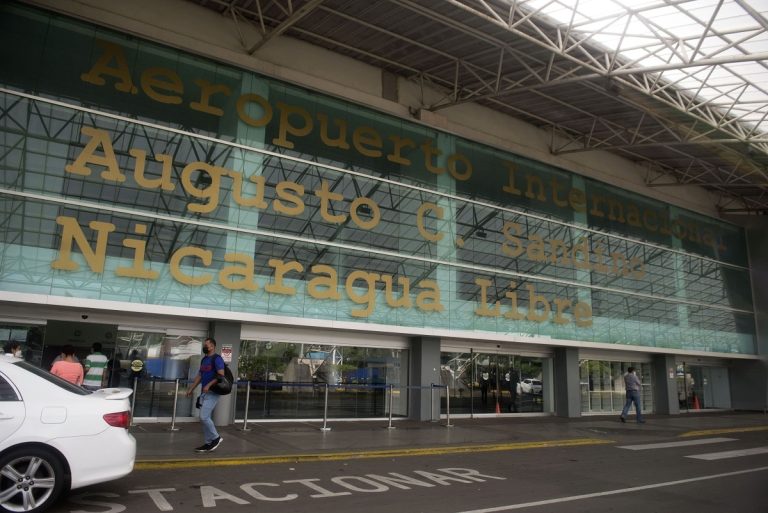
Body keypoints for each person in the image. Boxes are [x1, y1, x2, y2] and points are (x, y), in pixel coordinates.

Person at [186, 337, 225, 453]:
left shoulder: (217, 359)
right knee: (203, 418)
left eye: (206, 345)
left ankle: (216, 438)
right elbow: (200, 375)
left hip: (213, 392)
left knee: (204, 416)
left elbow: (221, 375)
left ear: (212, 346)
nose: (204, 347)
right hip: (204, 393)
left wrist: (208, 385)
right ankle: (208, 443)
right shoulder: (204, 360)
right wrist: (191, 388)